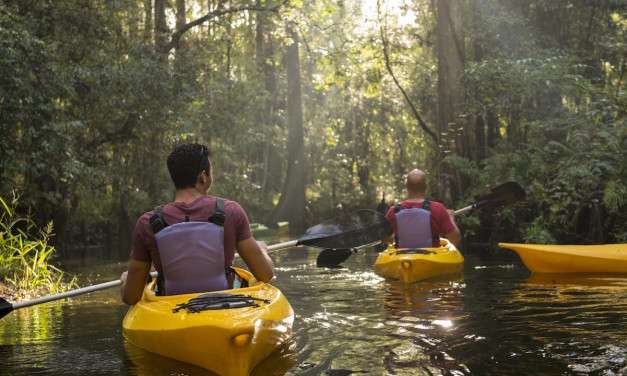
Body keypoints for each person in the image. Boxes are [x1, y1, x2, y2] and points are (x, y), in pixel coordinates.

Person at [120, 143, 273, 305]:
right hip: (225, 311)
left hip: (172, 313)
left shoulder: (147, 223)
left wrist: (125, 281)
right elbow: (265, 274)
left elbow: (131, 297)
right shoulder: (231, 212)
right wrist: (262, 251)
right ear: (203, 177)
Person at [384, 169, 461, 248]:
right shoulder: (438, 209)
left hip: (402, 259)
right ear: (426, 187)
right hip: (431, 259)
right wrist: (451, 217)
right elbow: (454, 238)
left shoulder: (393, 211)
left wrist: (397, 235)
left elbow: (385, 239)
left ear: (406, 187)